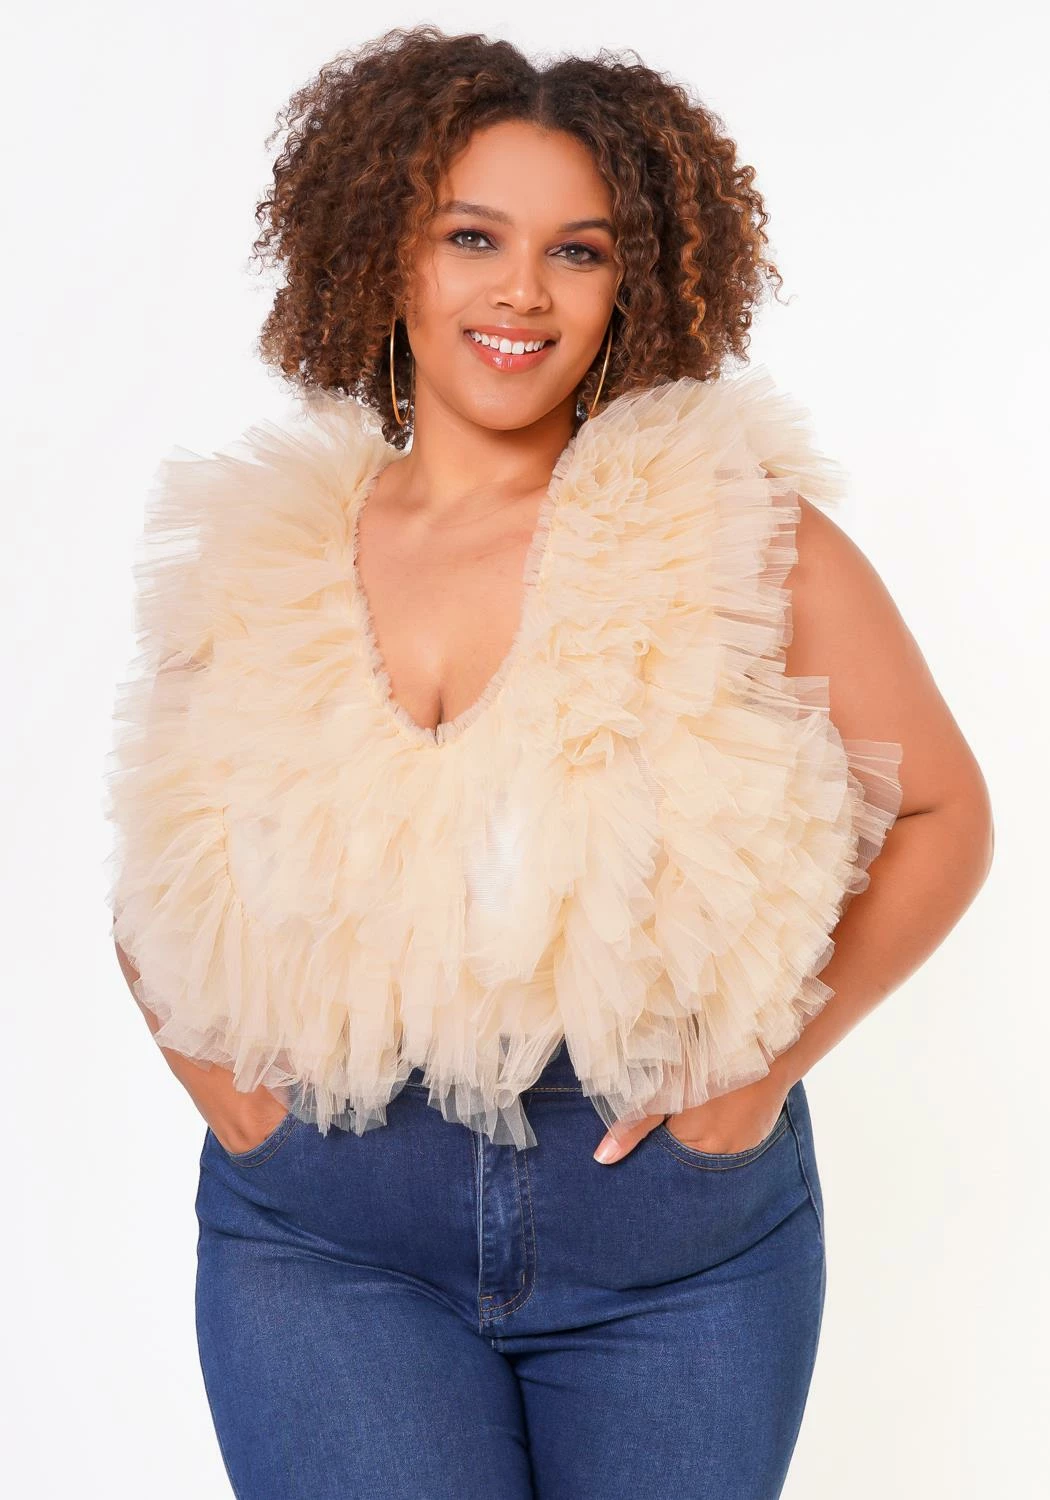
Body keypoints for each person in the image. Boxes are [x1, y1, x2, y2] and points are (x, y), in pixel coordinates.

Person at [104, 24, 994, 1500]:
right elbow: (160, 856)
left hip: (667, 1241)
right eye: (474, 237)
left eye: (576, 251)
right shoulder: (268, 554)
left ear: (632, 284)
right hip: (325, 1237)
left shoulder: (731, 535)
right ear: (386, 255)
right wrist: (218, 1083)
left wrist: (761, 1072)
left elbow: (944, 815)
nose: (521, 291)